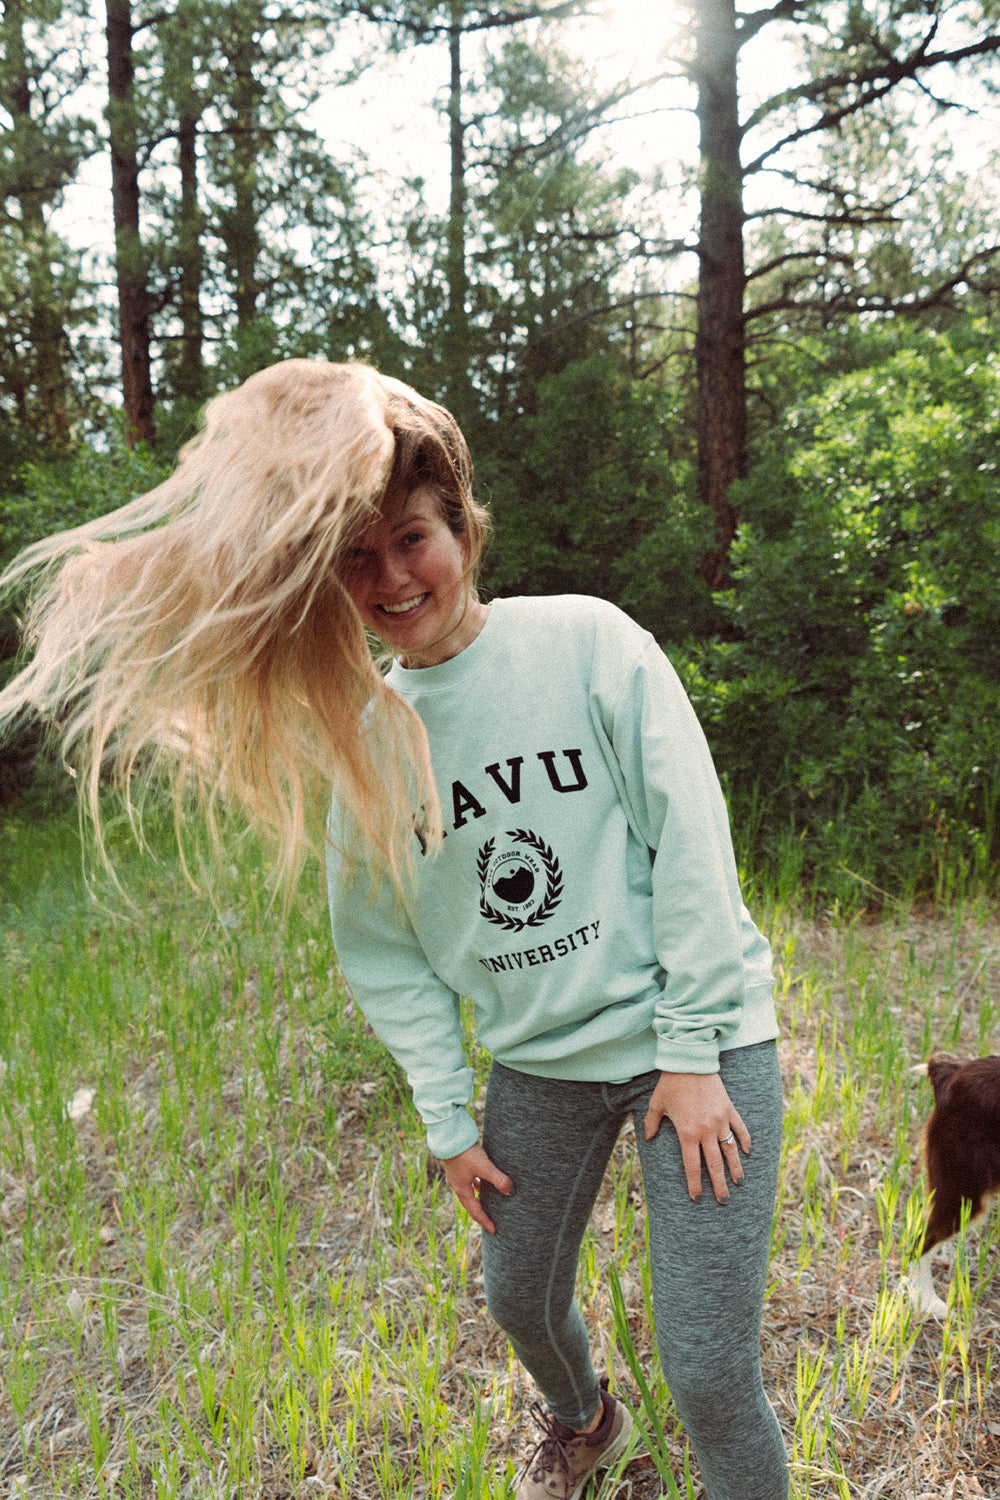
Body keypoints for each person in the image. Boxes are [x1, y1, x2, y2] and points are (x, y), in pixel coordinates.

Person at [0, 360, 788, 1500]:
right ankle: (586, 1422)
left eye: (412, 539)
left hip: (694, 1046)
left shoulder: (587, 642)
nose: (391, 578)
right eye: (356, 558)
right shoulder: (366, 734)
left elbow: (691, 845)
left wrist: (696, 1049)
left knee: (709, 1371)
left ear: (463, 526)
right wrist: (446, 1116)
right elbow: (385, 952)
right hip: (542, 1062)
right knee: (517, 1297)